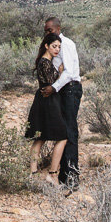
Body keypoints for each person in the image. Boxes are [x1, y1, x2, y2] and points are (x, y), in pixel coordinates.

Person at [24, 32, 69, 185]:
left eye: (59, 47)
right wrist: (61, 73)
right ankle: (51, 173)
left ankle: (34, 172)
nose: (57, 49)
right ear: (46, 46)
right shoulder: (45, 62)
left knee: (40, 137)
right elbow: (50, 81)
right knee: (61, 136)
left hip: (45, 100)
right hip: (47, 101)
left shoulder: (48, 61)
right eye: (54, 46)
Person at [41, 16, 81, 187]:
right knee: (63, 132)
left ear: (58, 28)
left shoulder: (66, 44)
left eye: (50, 30)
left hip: (69, 89)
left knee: (69, 131)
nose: (47, 33)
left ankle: (72, 177)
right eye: (46, 31)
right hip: (62, 90)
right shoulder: (54, 45)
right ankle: (64, 176)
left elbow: (69, 72)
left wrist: (54, 87)